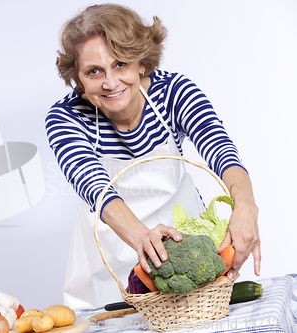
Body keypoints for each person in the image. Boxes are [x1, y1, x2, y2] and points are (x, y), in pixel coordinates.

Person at [45, 4, 261, 310]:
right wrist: (143, 239)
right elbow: (92, 183)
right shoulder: (65, 117)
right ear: (79, 79)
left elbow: (220, 149)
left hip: (182, 259)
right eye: (94, 71)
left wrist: (246, 207)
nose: (110, 82)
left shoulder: (175, 92)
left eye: (120, 64)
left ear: (141, 63)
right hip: (107, 271)